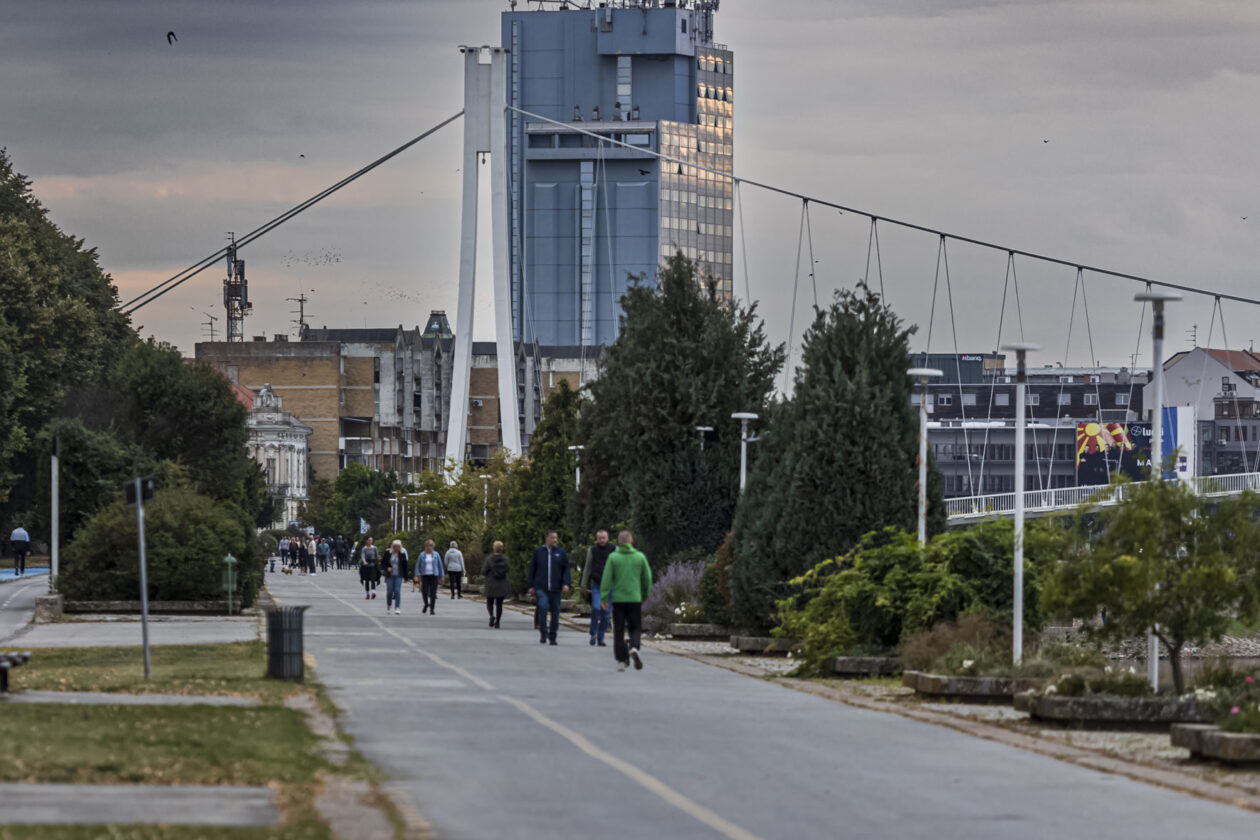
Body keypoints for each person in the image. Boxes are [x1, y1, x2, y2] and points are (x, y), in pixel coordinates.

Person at [600, 530, 653, 671]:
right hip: (635, 598)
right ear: (632, 541)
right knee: (635, 627)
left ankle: (621, 660)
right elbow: (647, 578)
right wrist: (645, 594)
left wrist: (604, 597)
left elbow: (606, 578)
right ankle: (634, 647)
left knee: (618, 630)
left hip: (618, 599)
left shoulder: (613, 558)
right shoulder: (640, 557)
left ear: (618, 542)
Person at [527, 530, 570, 646]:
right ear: (546, 538)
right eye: (552, 538)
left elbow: (566, 569)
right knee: (543, 607)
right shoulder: (539, 552)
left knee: (555, 612)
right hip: (541, 587)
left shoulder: (561, 552)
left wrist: (566, 583)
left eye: (556, 538)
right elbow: (532, 569)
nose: (555, 540)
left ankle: (553, 636)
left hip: (556, 588)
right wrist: (531, 585)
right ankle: (543, 632)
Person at [579, 530, 615, 647]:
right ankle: (593, 632)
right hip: (596, 584)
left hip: (610, 585)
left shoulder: (613, 549)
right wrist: (583, 583)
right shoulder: (592, 550)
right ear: (597, 539)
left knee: (606, 613)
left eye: (603, 538)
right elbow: (587, 567)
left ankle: (601, 636)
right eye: (599, 538)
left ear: (607, 538)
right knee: (596, 607)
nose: (602, 540)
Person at [482, 541, 511, 628]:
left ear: (493, 548)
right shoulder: (505, 559)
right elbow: (508, 569)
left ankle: (491, 615)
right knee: (499, 604)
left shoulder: (489, 559)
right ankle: (498, 622)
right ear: (502, 548)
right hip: (502, 583)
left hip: (491, 583)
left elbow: (484, 571)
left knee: (489, 601)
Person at [416, 539, 445, 615]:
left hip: (434, 575)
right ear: (425, 546)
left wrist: (442, 575)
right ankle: (426, 604)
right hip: (425, 575)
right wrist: (416, 575)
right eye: (427, 546)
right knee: (424, 591)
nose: (429, 547)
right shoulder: (422, 555)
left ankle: (432, 609)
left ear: (433, 547)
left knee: (433, 593)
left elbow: (440, 565)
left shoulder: (436, 554)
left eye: (431, 546)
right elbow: (417, 565)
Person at [383, 539, 410, 614]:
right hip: (390, 575)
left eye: (398, 546)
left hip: (398, 575)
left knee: (397, 591)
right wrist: (387, 568)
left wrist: (406, 577)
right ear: (393, 546)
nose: (396, 548)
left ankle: (397, 607)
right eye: (395, 546)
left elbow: (405, 566)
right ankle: (389, 605)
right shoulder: (388, 553)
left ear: (400, 547)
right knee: (389, 592)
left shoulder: (402, 554)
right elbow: (383, 563)